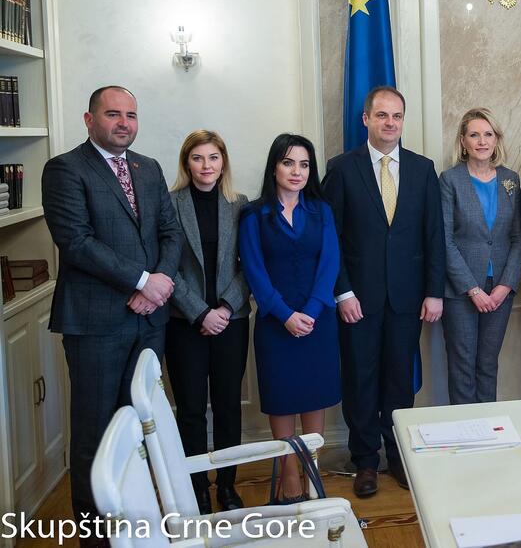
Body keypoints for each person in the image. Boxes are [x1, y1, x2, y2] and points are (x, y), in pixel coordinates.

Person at [41, 85, 182, 542]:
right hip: (96, 324)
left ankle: (139, 523)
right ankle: (97, 535)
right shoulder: (65, 170)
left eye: (131, 115)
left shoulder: (149, 168)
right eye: (113, 114)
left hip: (149, 322)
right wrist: (143, 282)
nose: (124, 123)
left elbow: (170, 233)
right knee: (96, 434)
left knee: (141, 428)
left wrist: (157, 286)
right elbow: (77, 243)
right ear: (89, 119)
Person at [322, 86, 445, 498]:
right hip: (359, 299)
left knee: (399, 379)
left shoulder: (422, 169)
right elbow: (331, 239)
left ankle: (398, 457)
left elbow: (434, 235)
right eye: (382, 116)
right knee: (360, 379)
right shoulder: (341, 169)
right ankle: (365, 461)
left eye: (396, 116)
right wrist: (343, 293)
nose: (390, 123)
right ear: (366, 119)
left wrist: (434, 291)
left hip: (408, 299)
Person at [239, 133, 341, 502]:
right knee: (281, 398)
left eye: (304, 164)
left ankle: (312, 471)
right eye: (288, 163)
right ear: (274, 167)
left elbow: (330, 264)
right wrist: (285, 315)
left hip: (317, 322)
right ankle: (289, 475)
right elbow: (254, 272)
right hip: (274, 324)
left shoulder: (321, 211)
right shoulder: (253, 214)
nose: (296, 171)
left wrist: (310, 312)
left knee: (315, 396)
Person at [166, 130, 251, 514]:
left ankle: (227, 487)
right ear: (187, 163)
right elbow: (166, 267)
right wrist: (200, 312)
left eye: (213, 158)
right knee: (191, 409)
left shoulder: (239, 204)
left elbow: (248, 265)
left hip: (230, 321)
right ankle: (197, 487)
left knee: (228, 405)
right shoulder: (169, 205)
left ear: (223, 162)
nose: (206, 166)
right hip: (184, 324)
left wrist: (223, 308)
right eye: (198, 158)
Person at [440, 108, 521, 404]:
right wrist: (473, 289)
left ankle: (489, 432)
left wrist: (505, 286)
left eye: (488, 134)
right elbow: (445, 240)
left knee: (488, 365)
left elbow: (518, 237)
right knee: (462, 367)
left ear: (496, 139)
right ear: (463, 141)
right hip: (461, 291)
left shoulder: (510, 179)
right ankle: (466, 436)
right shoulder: (449, 179)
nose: (481, 141)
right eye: (474, 134)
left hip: (500, 288)